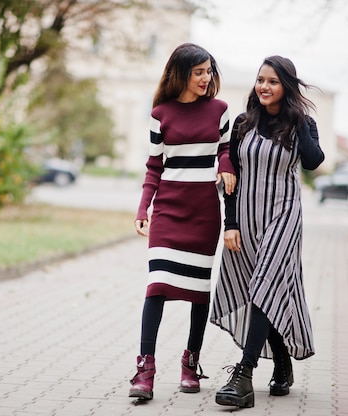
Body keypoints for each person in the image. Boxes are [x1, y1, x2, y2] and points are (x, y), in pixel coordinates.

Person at [210, 55, 325, 408]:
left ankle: (243, 376)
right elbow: (230, 178)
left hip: (284, 216)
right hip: (246, 218)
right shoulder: (244, 123)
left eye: (273, 81)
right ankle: (283, 362)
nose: (263, 86)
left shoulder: (301, 124)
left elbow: (312, 160)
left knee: (264, 287)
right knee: (261, 288)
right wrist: (229, 224)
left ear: (286, 86)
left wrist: (299, 119)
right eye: (261, 79)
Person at [129, 43, 237, 401]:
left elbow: (225, 149)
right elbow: (153, 166)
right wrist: (143, 209)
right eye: (199, 72)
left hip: (204, 212)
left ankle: (191, 364)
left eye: (209, 71)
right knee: (156, 286)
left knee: (198, 293)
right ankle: (146, 369)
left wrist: (224, 165)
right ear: (182, 74)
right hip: (168, 213)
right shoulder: (160, 114)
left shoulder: (220, 110)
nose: (206, 78)